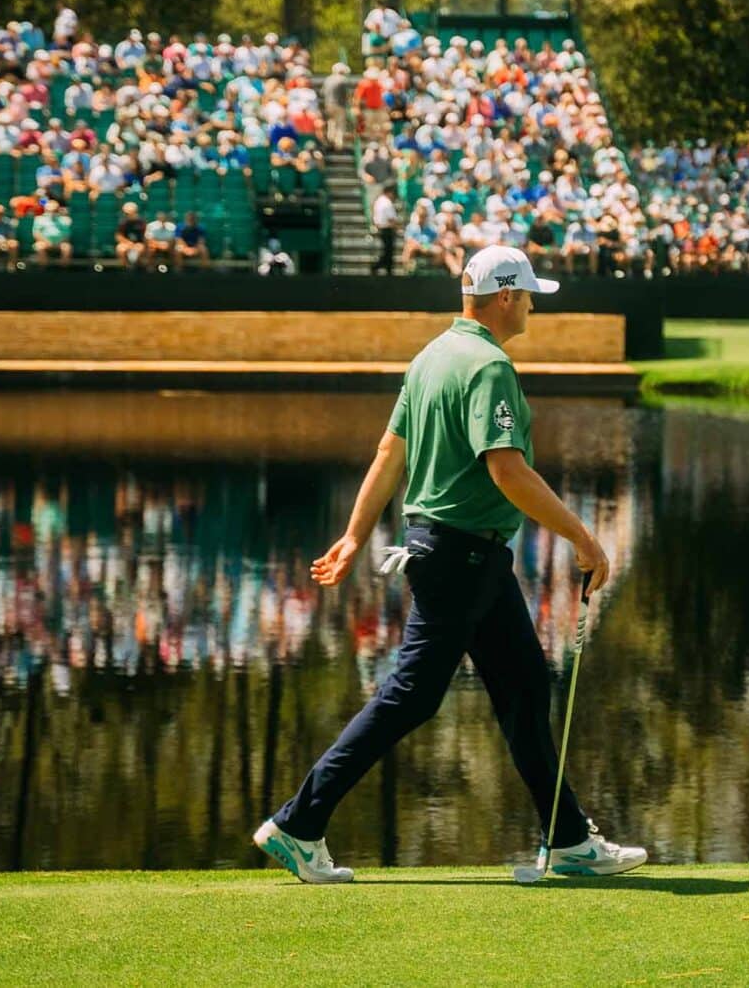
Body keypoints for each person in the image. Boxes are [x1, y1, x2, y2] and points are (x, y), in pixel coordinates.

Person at [253, 245, 647, 884]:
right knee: (411, 696)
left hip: (464, 556)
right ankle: (299, 823)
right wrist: (583, 537)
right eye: (527, 296)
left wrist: (354, 536)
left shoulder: (431, 356)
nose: (531, 307)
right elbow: (508, 471)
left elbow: (390, 454)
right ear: (504, 297)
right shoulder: (489, 366)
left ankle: (569, 840)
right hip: (461, 557)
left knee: (524, 690)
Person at [371, 184, 400, 275]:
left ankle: (385, 269)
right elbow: (391, 219)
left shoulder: (378, 201)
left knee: (387, 251)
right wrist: (398, 229)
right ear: (389, 192)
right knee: (388, 252)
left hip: (381, 228)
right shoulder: (387, 202)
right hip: (387, 229)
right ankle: (378, 267)